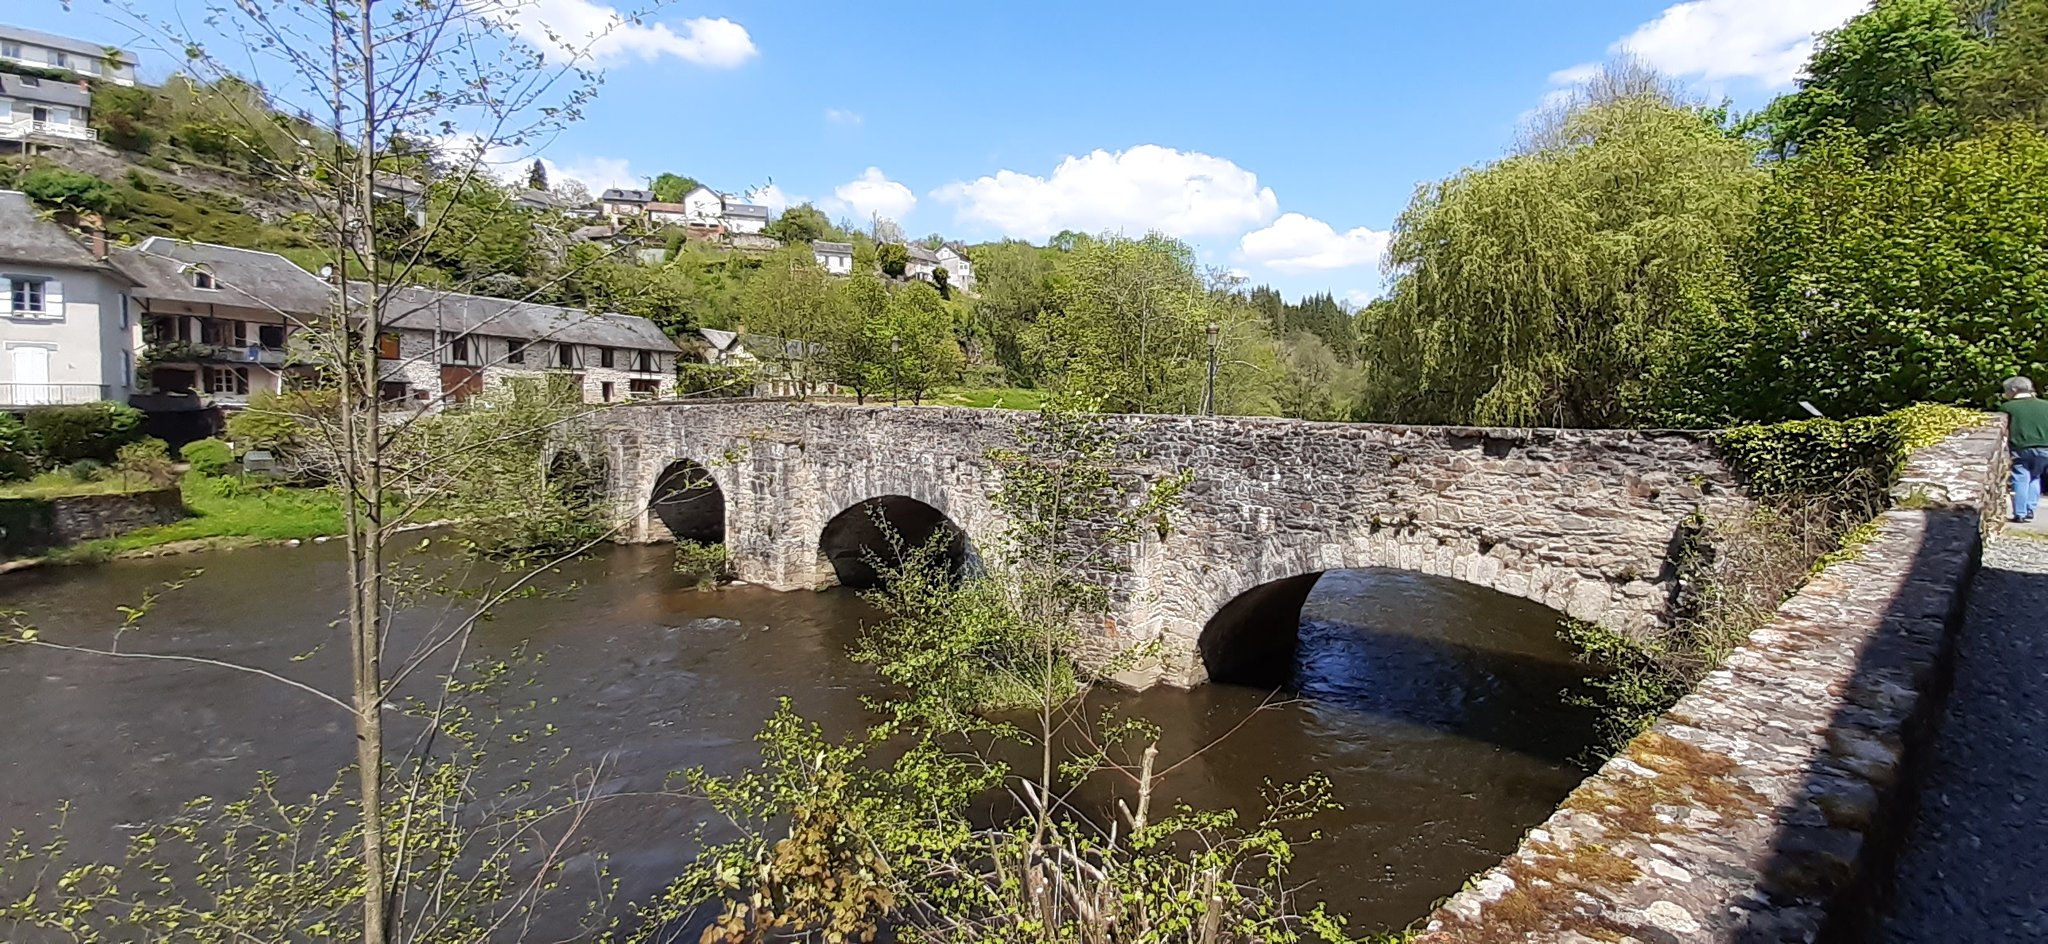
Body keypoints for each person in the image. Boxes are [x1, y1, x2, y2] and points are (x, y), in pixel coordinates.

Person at [1999, 376, 2048, 523]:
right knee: (2035, 476)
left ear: (2014, 390)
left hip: (2021, 447)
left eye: (2006, 391)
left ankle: (2020, 512)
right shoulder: (2045, 405)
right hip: (2045, 447)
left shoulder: (2008, 407)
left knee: (2021, 476)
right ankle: (2030, 509)